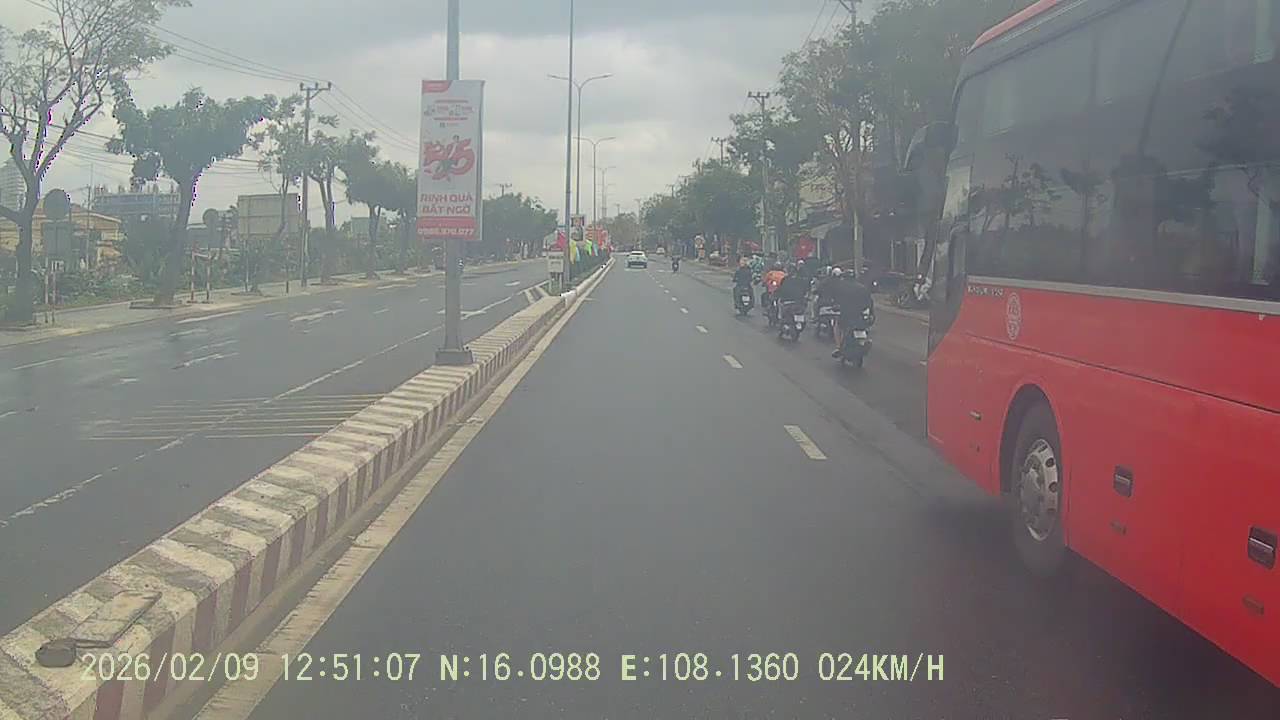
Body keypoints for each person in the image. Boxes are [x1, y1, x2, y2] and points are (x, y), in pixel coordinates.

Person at [830, 271, 875, 358]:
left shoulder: (841, 287)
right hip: (860, 316)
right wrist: (871, 314)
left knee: (837, 326)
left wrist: (836, 306)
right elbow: (870, 302)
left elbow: (836, 300)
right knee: (865, 327)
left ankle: (839, 347)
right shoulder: (863, 288)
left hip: (846, 315)